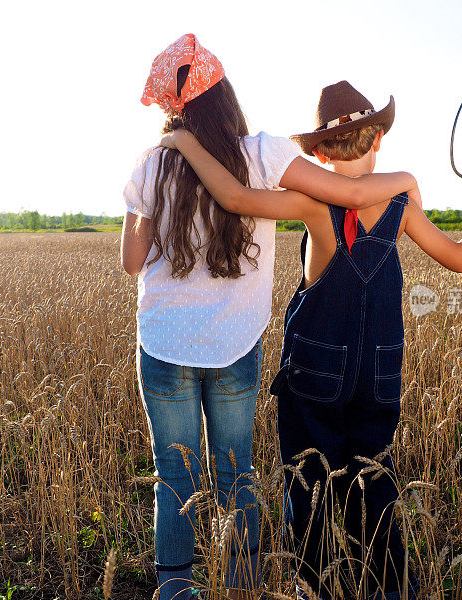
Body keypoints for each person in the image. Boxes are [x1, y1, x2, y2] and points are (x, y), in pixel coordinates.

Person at [160, 80, 462, 600]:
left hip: (314, 375)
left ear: (321, 154)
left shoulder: (310, 203)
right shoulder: (399, 207)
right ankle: (388, 588)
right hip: (379, 374)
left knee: (309, 487)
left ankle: (315, 587)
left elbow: (234, 197)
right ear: (377, 142)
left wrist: (186, 144)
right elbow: (459, 258)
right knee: (376, 482)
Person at [121, 37, 417, 600]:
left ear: (172, 109)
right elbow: (345, 192)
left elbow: (132, 262)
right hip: (235, 343)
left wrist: (147, 200)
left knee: (172, 473)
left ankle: (176, 588)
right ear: (227, 95)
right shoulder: (263, 152)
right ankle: (245, 581)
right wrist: (402, 181)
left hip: (163, 342)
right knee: (238, 472)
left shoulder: (154, 163)